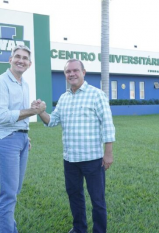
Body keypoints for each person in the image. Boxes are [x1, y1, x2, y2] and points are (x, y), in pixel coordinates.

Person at [34, 59, 115, 233]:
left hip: (93, 159)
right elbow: (52, 121)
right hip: (70, 159)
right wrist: (41, 112)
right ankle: (79, 228)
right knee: (74, 196)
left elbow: (108, 124)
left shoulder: (97, 94)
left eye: (75, 70)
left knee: (97, 200)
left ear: (83, 72)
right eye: (68, 71)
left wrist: (108, 153)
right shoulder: (64, 98)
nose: (71, 74)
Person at [0, 45, 45, 233]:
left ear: (29, 64)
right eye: (17, 56)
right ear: (10, 60)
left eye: (25, 58)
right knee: (8, 195)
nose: (21, 60)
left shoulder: (24, 84)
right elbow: (2, 116)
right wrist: (32, 111)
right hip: (4, 140)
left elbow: (19, 114)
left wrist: (24, 134)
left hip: (20, 140)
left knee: (14, 191)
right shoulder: (0, 82)